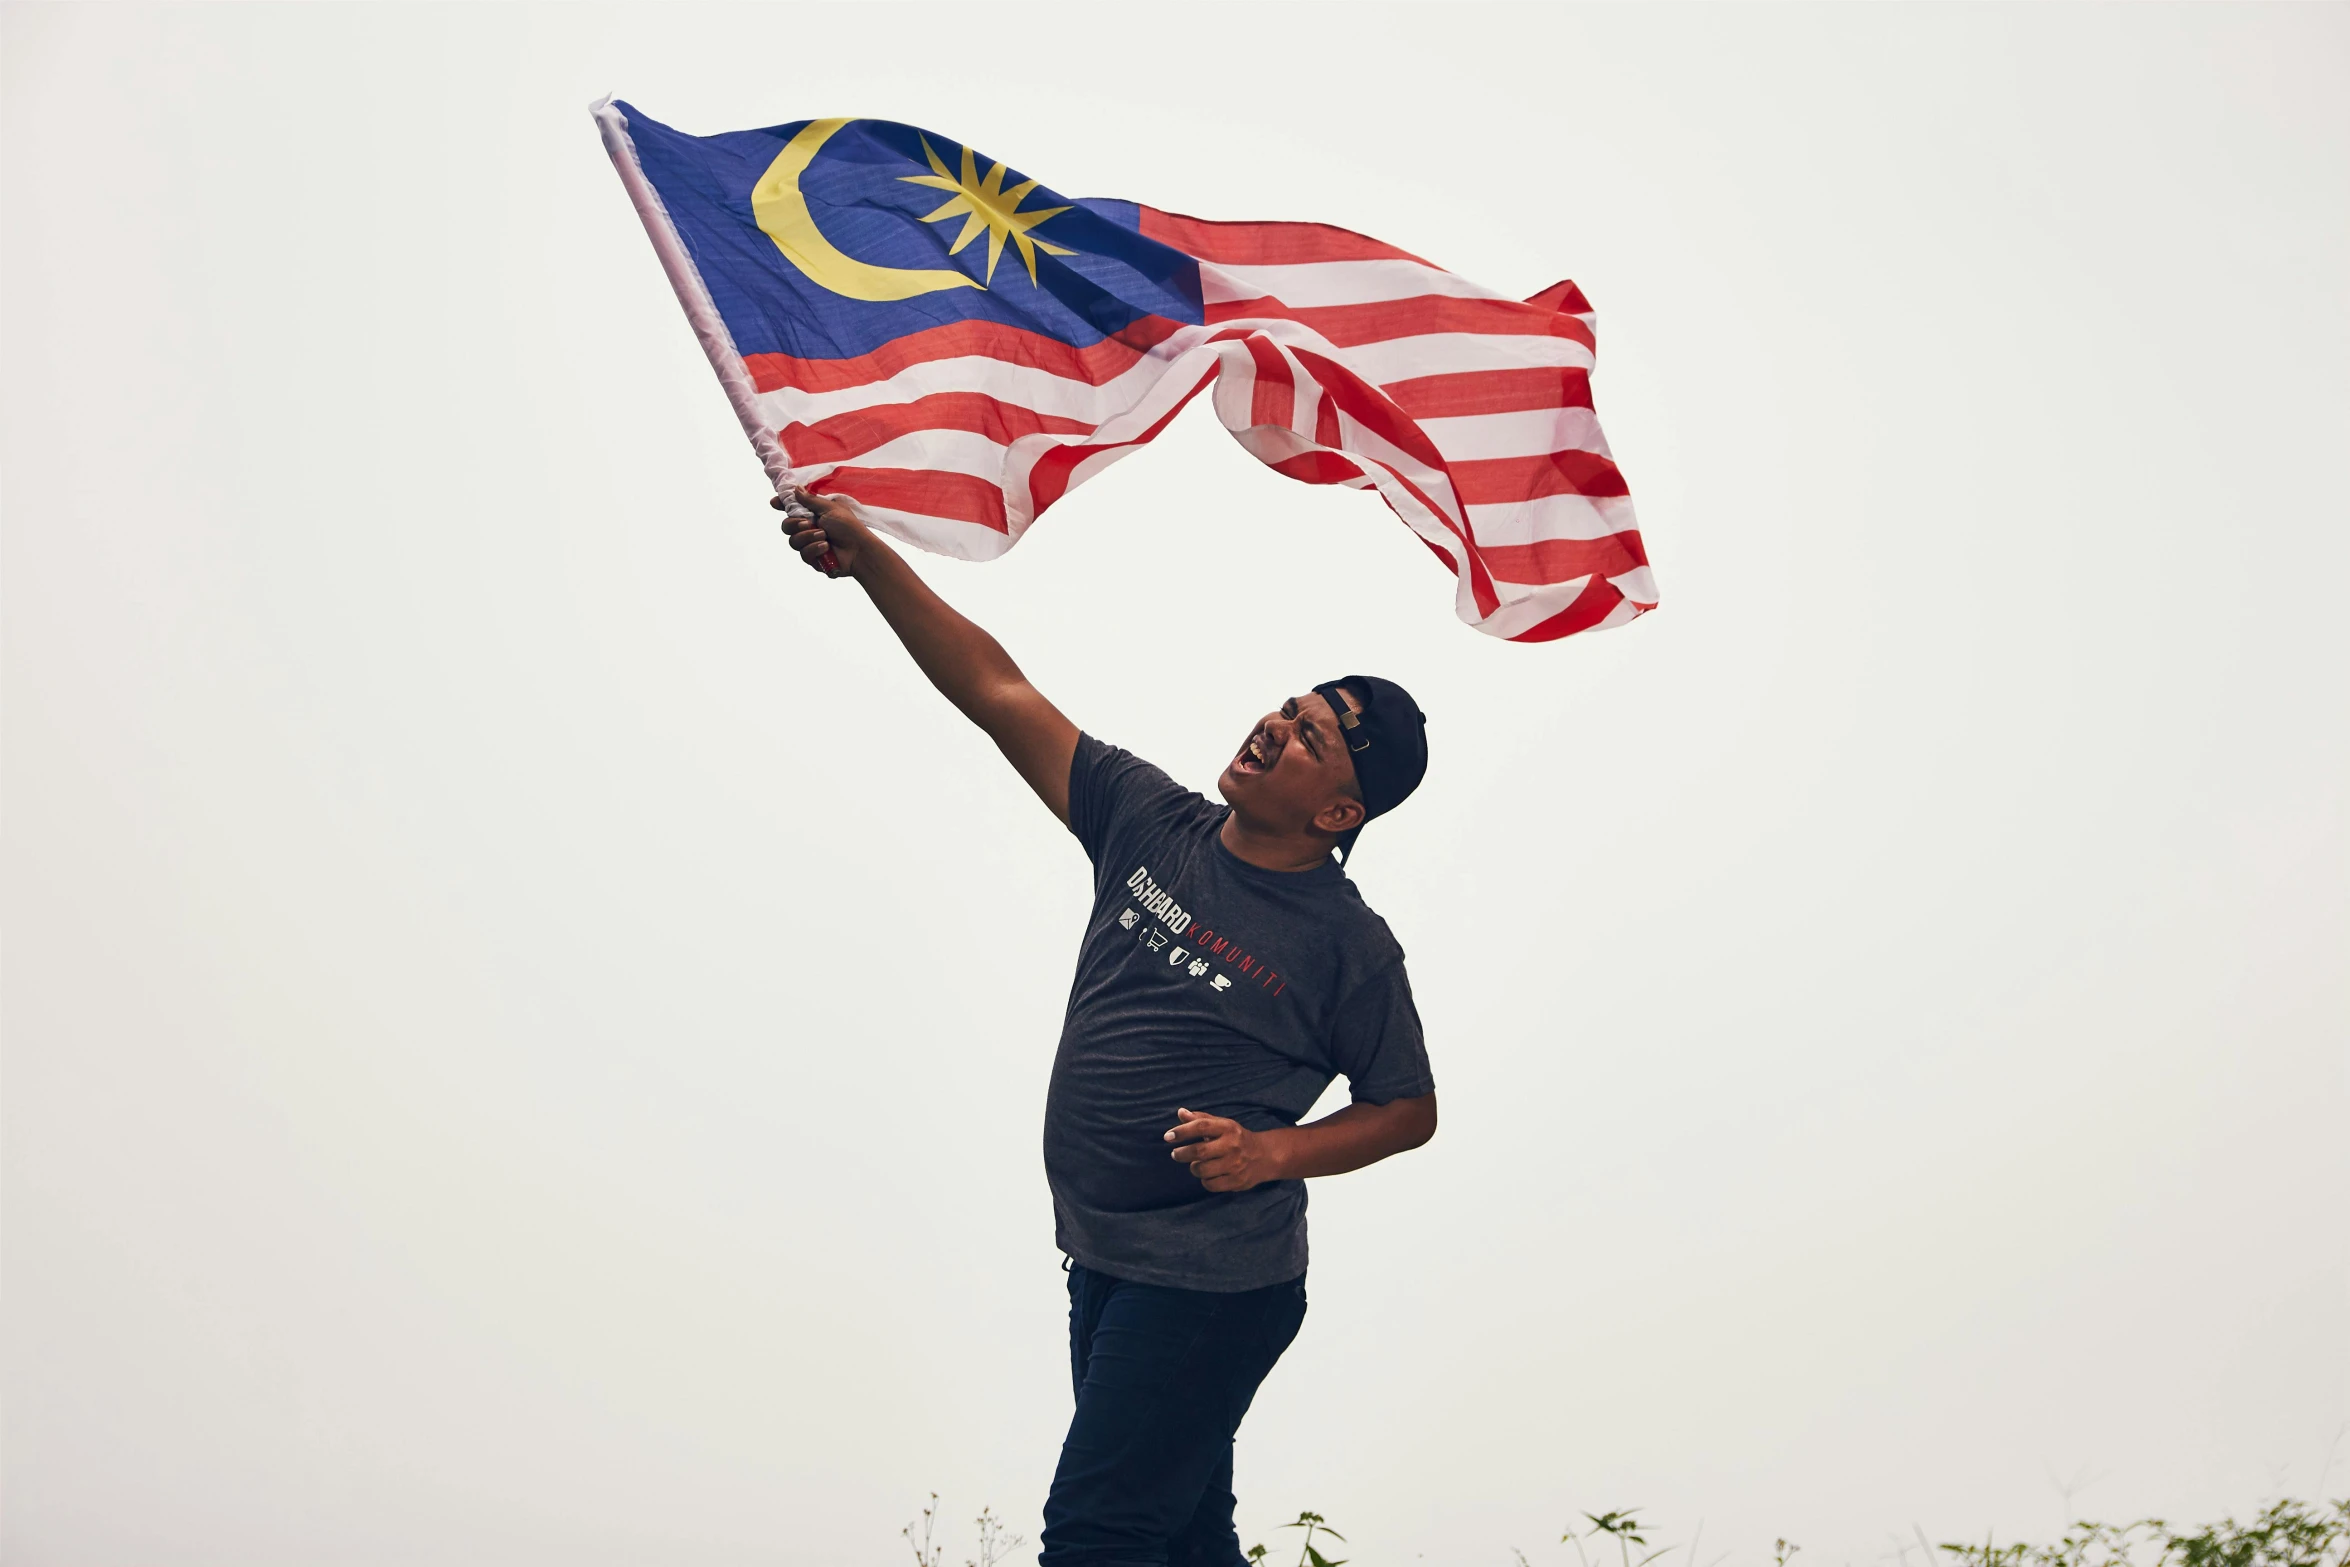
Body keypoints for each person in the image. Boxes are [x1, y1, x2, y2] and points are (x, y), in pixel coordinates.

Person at [775, 489, 1439, 1567]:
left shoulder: (1348, 947)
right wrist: (871, 561)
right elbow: (997, 691)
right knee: (1178, 1534)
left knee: (1097, 1535)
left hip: (1213, 1283)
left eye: (1310, 736)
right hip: (1102, 1250)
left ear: (1337, 813)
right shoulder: (1149, 819)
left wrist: (1273, 1151)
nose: (1275, 725)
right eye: (1287, 706)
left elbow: (1408, 1108)